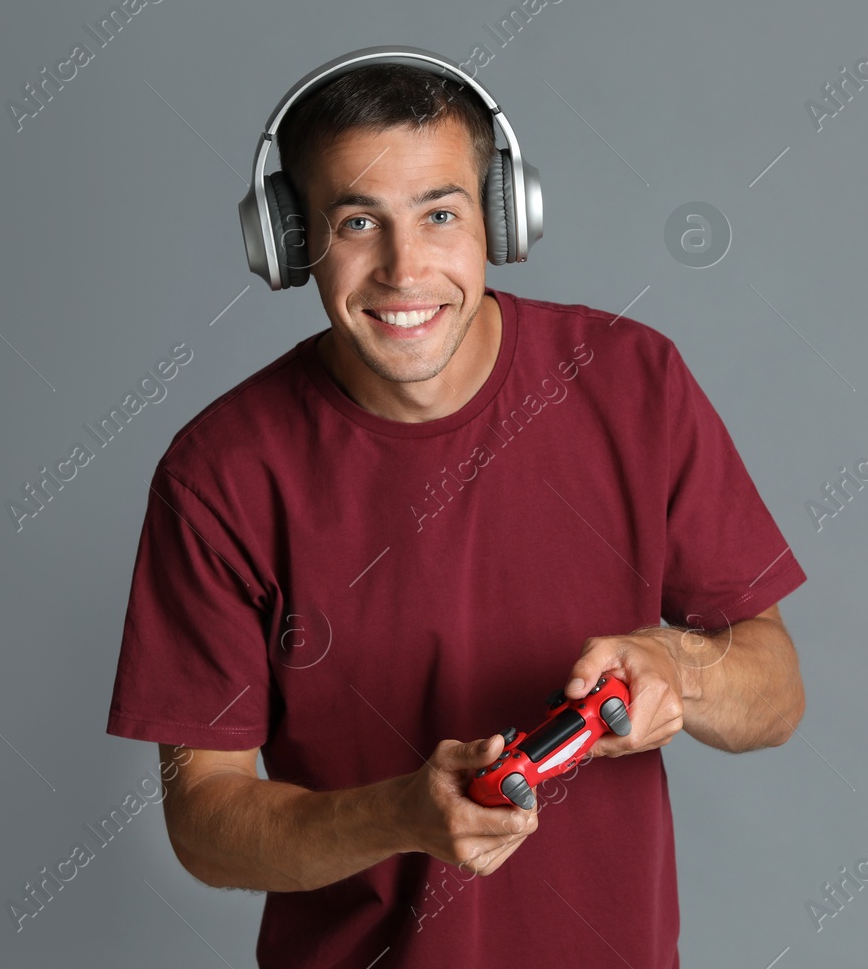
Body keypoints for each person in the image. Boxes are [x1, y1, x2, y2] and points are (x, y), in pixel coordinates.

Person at [104, 48, 808, 968]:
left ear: (503, 219)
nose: (405, 268)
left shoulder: (634, 382)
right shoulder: (219, 477)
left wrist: (679, 663)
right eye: (358, 221)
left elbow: (778, 689)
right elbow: (204, 820)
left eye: (441, 213)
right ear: (289, 240)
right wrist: (397, 813)